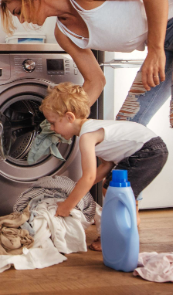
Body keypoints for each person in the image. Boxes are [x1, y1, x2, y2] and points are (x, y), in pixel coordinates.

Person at [0, 0, 173, 128]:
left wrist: (155, 50)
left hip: (166, 30)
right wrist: (64, 120)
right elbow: (95, 81)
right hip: (161, 44)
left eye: (18, 12)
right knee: (127, 127)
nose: (21, 20)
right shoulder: (64, 35)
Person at [40, 83, 168, 251]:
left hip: (147, 151)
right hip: (150, 149)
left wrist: (67, 206)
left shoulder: (87, 136)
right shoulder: (92, 128)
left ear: (69, 117)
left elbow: (89, 177)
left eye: (53, 122)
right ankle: (129, 224)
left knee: (113, 190)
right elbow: (106, 166)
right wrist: (78, 188)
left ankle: (115, 236)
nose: (51, 128)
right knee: (116, 189)